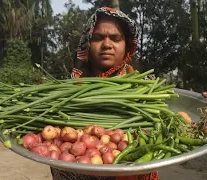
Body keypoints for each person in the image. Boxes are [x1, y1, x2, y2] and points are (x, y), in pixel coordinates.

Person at [50, 6, 159, 180]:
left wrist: (205, 103)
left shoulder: (145, 87)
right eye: (98, 38)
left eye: (115, 38)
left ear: (127, 45)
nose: (107, 44)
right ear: (87, 42)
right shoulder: (68, 89)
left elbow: (174, 118)